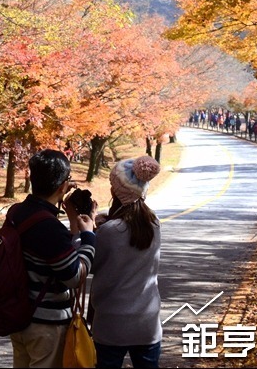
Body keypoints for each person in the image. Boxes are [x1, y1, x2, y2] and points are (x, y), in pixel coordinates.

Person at [9, 149, 96, 368]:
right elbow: (74, 276)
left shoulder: (17, 212)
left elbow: (50, 254)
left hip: (20, 317)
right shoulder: (49, 227)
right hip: (45, 326)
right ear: (62, 186)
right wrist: (88, 236)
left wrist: (72, 223)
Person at [90, 155, 162, 368]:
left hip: (112, 322)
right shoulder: (154, 224)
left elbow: (89, 264)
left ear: (115, 191)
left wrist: (83, 233)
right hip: (147, 321)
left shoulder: (109, 231)